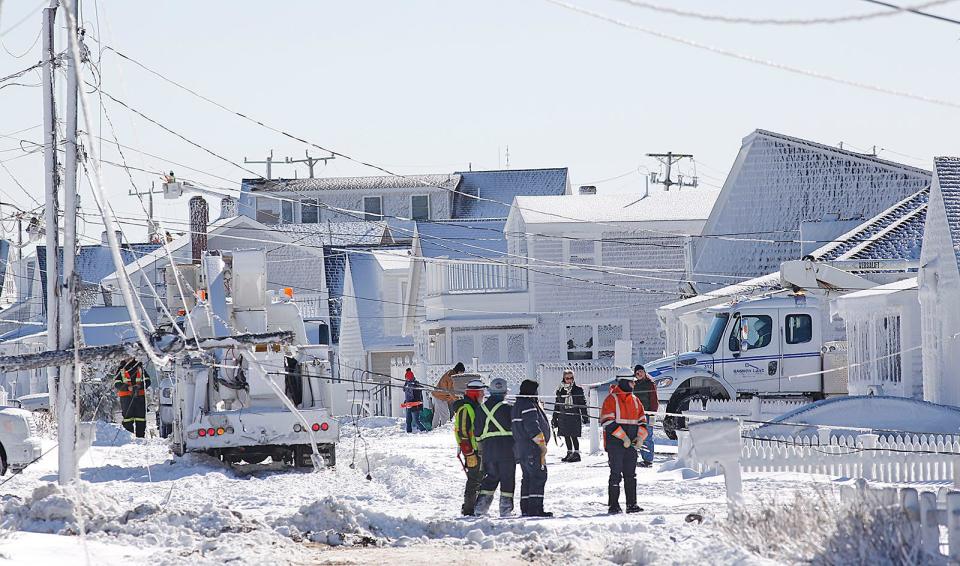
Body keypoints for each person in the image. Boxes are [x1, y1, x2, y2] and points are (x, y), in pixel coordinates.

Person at [600, 370, 647, 514]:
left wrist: (640, 438)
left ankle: (631, 505)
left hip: (631, 445)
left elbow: (642, 421)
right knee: (615, 474)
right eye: (631, 381)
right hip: (615, 445)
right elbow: (607, 422)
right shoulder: (611, 399)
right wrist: (623, 437)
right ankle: (613, 506)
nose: (634, 384)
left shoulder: (635, 400)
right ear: (624, 382)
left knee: (630, 475)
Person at [473, 377, 516, 517]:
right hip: (507, 449)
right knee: (507, 478)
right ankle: (505, 509)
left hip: (488, 450)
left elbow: (477, 433)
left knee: (490, 478)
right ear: (505, 393)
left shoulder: (480, 410)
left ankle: (480, 508)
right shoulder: (509, 409)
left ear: (490, 392)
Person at [511, 379, 553, 517]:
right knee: (538, 476)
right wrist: (542, 445)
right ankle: (535, 510)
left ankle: (526, 508)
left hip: (522, 448)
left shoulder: (518, 404)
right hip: (532, 448)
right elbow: (532, 427)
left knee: (527, 478)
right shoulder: (528, 405)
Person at [453, 379, 485, 516]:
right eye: (481, 393)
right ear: (475, 394)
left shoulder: (474, 406)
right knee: (474, 480)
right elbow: (463, 432)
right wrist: (469, 453)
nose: (483, 396)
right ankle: (468, 509)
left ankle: (474, 506)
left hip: (478, 449)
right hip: (471, 450)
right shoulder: (466, 408)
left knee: (480, 478)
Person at [552, 370, 589, 463]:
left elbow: (582, 404)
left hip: (574, 415)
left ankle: (576, 453)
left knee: (574, 435)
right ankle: (569, 452)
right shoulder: (560, 390)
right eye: (567, 378)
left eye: (571, 378)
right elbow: (557, 404)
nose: (569, 380)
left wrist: (585, 417)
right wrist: (554, 418)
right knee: (566, 435)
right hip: (563, 416)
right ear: (564, 378)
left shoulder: (577, 389)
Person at [114, 357, 151, 438]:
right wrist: (127, 387)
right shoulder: (121, 369)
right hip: (126, 398)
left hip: (140, 397)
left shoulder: (139, 367)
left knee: (140, 418)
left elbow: (148, 381)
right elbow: (117, 384)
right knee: (127, 419)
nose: (128, 358)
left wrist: (140, 386)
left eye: (130, 356)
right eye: (126, 356)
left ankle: (140, 438)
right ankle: (128, 437)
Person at [632, 365, 659, 467]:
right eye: (637, 372)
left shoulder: (650, 384)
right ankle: (634, 458)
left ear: (644, 372)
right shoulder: (634, 384)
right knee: (636, 436)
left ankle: (648, 460)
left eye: (641, 371)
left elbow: (654, 401)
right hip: (635, 415)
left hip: (647, 414)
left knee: (647, 437)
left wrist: (652, 414)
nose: (639, 374)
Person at [433, 362, 465, 428]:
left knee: (437, 413)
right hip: (440, 396)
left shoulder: (451, 373)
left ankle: (433, 428)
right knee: (446, 414)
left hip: (437, 394)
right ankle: (444, 429)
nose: (462, 374)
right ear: (459, 371)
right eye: (461, 372)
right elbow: (451, 391)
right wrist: (457, 400)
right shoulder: (451, 377)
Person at [402, 368, 427, 433]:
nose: (407, 379)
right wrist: (406, 402)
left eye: (408, 378)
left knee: (416, 421)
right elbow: (406, 392)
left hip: (415, 405)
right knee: (408, 420)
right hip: (408, 404)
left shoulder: (415, 384)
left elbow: (419, 392)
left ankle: (424, 431)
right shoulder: (406, 384)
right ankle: (409, 432)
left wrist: (415, 385)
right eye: (406, 378)